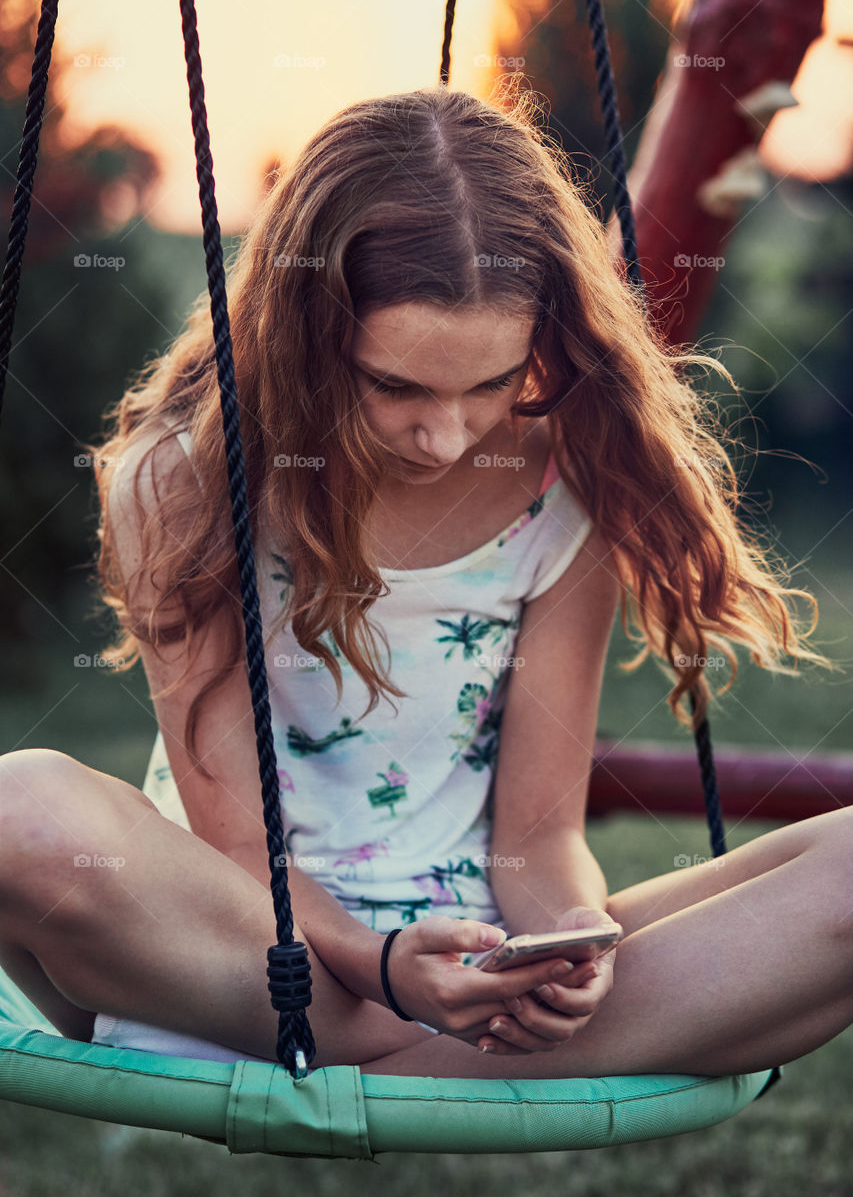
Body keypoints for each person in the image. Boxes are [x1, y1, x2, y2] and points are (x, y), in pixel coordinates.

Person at [1, 85, 851, 1081]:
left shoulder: (564, 483)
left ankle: (468, 1045)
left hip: (474, 950)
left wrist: (570, 941)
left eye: (490, 384)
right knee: (23, 805)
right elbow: (236, 844)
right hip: (255, 945)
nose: (444, 437)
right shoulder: (184, 479)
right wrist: (383, 968)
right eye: (395, 385)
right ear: (303, 333)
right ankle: (427, 1049)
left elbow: (538, 834)